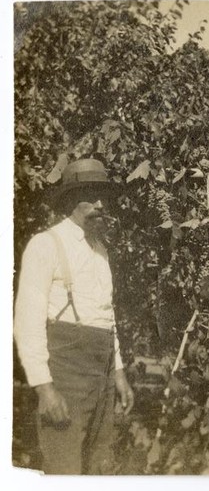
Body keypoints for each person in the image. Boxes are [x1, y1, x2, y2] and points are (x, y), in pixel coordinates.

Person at [14, 158, 134, 475]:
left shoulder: (100, 250)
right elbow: (27, 324)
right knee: (64, 466)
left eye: (104, 197)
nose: (100, 205)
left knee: (100, 465)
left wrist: (118, 371)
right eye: (91, 196)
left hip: (103, 372)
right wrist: (44, 388)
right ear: (70, 199)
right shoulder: (45, 245)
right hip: (65, 372)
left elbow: (106, 316)